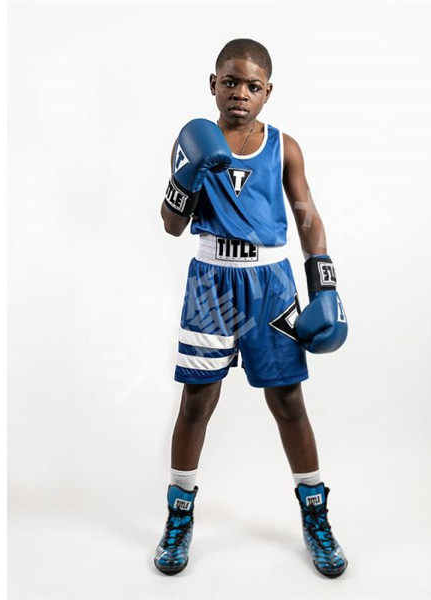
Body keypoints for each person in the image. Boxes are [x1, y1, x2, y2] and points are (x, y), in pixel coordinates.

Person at [154, 39, 348, 578]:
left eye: (252, 86)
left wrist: (325, 285)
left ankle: (316, 516)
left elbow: (307, 216)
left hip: (271, 285)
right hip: (210, 283)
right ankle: (179, 517)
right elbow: (171, 225)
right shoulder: (193, 142)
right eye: (231, 82)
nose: (240, 93)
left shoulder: (285, 147)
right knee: (197, 400)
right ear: (213, 84)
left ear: (268, 92)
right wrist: (185, 176)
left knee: (288, 401)